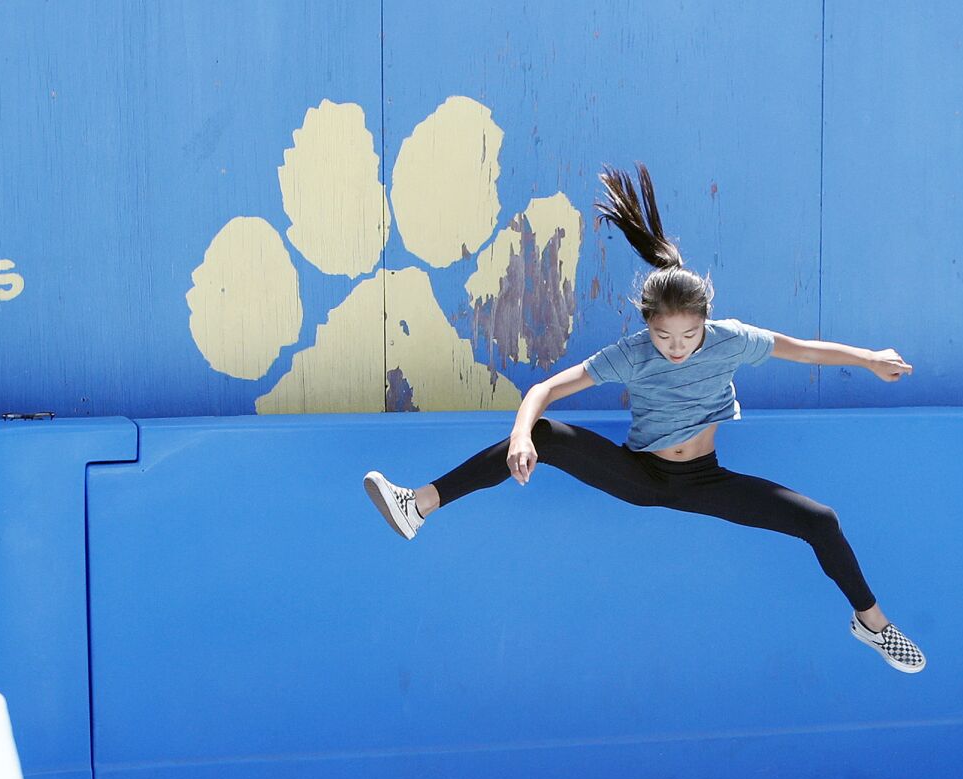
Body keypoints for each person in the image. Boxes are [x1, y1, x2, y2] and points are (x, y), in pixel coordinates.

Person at [364, 162, 924, 674]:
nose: (675, 347)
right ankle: (419, 503)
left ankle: (871, 623)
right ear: (646, 325)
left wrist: (870, 359)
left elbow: (803, 350)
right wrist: (519, 435)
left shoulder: (731, 340)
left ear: (706, 322)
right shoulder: (631, 353)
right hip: (640, 475)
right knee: (544, 433)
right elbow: (546, 388)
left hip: (706, 482)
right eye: (663, 336)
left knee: (820, 521)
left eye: (687, 336)